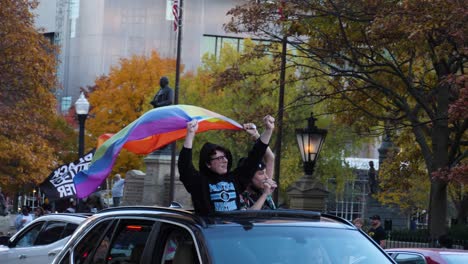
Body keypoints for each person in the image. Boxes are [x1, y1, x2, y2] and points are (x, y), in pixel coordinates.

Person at [178, 115, 275, 215]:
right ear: (208, 164)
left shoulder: (235, 179)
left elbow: (255, 156)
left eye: (225, 157)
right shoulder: (199, 182)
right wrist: (190, 134)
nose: (225, 161)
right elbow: (184, 166)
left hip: (233, 229)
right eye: (219, 158)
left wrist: (268, 130)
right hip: (210, 230)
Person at [239, 123, 277, 210]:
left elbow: (270, 158)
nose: (266, 176)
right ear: (248, 177)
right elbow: (249, 216)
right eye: (261, 173)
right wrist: (265, 194)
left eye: (265, 172)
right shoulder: (240, 196)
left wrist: (255, 135)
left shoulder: (261, 188)